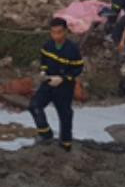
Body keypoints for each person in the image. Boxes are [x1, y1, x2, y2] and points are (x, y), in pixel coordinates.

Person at [29, 17, 85, 151]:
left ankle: (65, 144)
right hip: (48, 83)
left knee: (64, 115)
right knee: (34, 105)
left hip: (64, 86)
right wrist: (43, 72)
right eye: (53, 32)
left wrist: (63, 78)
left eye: (59, 32)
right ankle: (45, 134)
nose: (56, 36)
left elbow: (78, 69)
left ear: (65, 32)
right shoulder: (47, 46)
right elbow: (44, 61)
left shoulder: (72, 50)